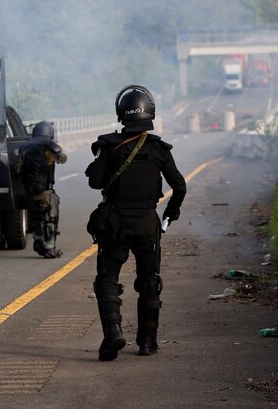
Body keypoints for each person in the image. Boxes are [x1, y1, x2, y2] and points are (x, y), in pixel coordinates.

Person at [84, 84, 186, 361]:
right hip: (146, 224)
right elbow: (179, 186)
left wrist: (101, 160)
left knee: (107, 280)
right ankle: (147, 342)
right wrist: (170, 214)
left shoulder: (109, 145)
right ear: (150, 112)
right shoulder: (159, 149)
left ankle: (114, 333)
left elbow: (95, 183)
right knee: (149, 281)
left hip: (115, 224)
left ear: (121, 113)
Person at [20, 121, 67, 259]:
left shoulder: (25, 148)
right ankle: (49, 248)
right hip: (44, 191)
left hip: (29, 192)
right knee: (51, 217)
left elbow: (18, 168)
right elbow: (63, 159)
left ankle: (39, 243)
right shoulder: (49, 149)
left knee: (38, 219)